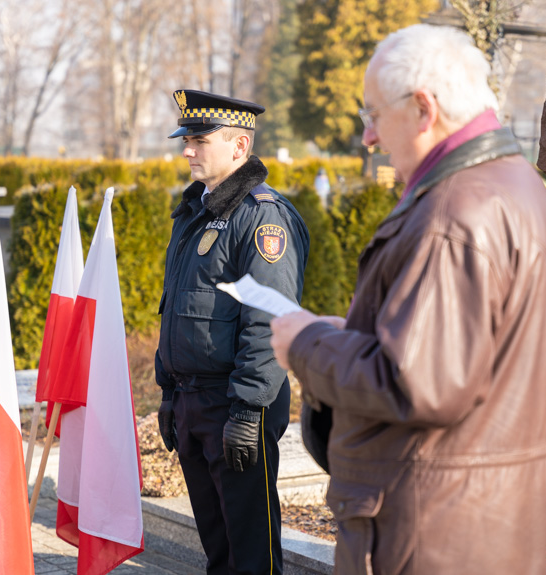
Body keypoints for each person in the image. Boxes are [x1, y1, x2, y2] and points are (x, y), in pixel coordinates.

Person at [270, 24, 546, 575]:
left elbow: (415, 383)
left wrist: (306, 343)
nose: (369, 139)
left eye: (375, 116)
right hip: (483, 524)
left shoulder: (454, 211)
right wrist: (349, 336)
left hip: (431, 536)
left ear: (424, 108)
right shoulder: (514, 184)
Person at [155, 89, 310, 575]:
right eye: (187, 139)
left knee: (252, 554)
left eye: (200, 139)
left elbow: (269, 319)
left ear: (240, 147)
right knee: (218, 549)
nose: (187, 150)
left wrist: (248, 409)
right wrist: (168, 394)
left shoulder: (261, 217)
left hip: (235, 407)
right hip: (192, 404)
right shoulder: (194, 212)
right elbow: (176, 309)